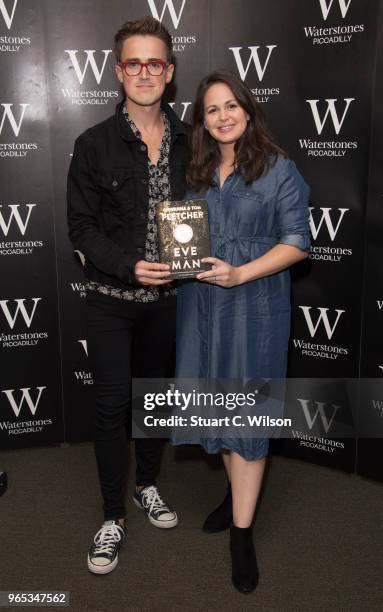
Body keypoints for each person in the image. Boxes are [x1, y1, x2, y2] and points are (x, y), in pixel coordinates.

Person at [174, 71, 310, 593]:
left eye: (231, 105)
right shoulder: (200, 173)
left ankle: (242, 535)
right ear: (203, 122)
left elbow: (298, 242)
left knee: (248, 418)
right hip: (202, 309)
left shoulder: (279, 170)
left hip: (254, 307)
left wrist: (240, 273)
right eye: (212, 109)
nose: (223, 115)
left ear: (248, 112)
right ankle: (236, 496)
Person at [67, 16, 190, 574]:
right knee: (113, 403)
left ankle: (146, 484)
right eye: (134, 62)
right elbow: (81, 228)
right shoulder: (92, 144)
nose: (145, 72)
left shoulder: (194, 139)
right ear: (119, 72)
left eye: (155, 62)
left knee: (154, 401)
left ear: (169, 71)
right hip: (111, 298)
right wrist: (128, 266)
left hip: (170, 303)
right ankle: (112, 514)